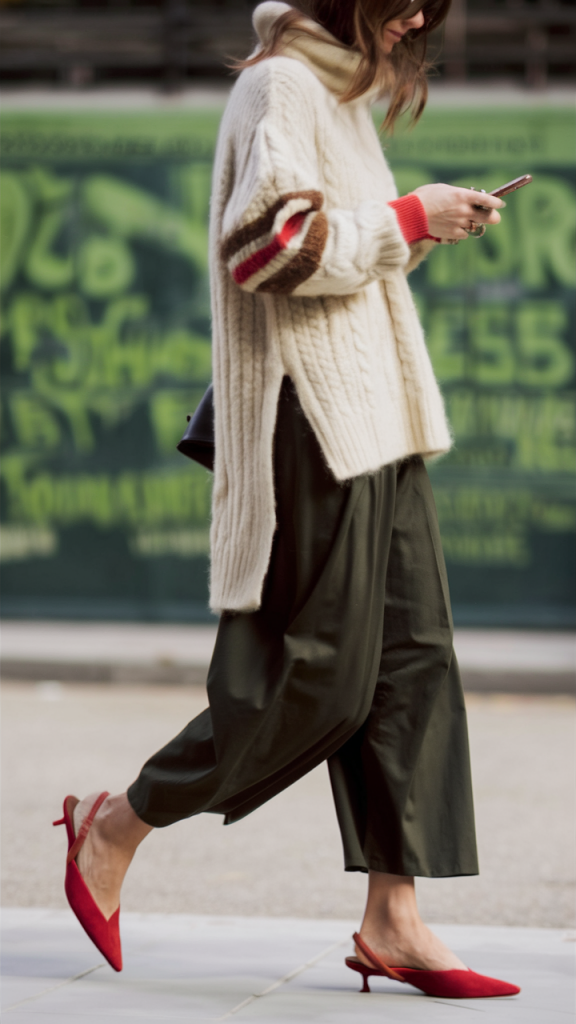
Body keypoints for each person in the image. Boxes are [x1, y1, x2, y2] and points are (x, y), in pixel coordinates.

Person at [54, 0, 520, 999]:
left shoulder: (340, 97)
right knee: (311, 679)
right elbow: (269, 251)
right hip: (312, 422)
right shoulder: (282, 85)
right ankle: (114, 825)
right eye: (401, 4)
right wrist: (409, 218)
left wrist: (420, 228)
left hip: (384, 419)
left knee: (412, 667)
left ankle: (394, 918)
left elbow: (342, 259)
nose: (411, 23)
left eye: (426, 13)